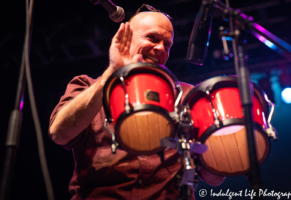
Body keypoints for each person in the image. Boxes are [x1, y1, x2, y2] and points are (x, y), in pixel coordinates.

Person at [49, 8, 225, 200]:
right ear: (127, 39)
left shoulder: (188, 96)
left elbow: (214, 178)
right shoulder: (87, 86)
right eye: (152, 38)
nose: (160, 48)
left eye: (167, 44)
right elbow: (59, 134)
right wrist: (111, 73)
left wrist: (227, 142)